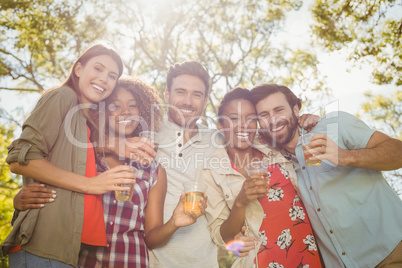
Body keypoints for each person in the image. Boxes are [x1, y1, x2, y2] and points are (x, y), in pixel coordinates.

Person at [1, 43, 139, 267]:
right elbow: (19, 158)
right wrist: (90, 184)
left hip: (67, 251)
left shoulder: (83, 122)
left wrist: (114, 145)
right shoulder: (63, 96)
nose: (104, 79)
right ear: (78, 69)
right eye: (98, 68)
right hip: (43, 247)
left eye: (112, 75)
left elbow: (64, 159)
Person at [250, 83, 402, 267]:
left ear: (296, 109)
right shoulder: (277, 163)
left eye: (279, 110)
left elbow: (398, 152)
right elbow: (237, 134)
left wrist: (345, 156)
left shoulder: (334, 125)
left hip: (391, 253)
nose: (273, 120)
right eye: (264, 115)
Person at [201, 87, 323, 267]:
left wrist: (308, 121)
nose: (244, 125)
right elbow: (222, 237)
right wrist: (240, 203)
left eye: (251, 119)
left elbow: (292, 130)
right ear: (220, 125)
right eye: (234, 118)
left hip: (306, 252)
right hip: (259, 261)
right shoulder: (212, 172)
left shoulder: (271, 146)